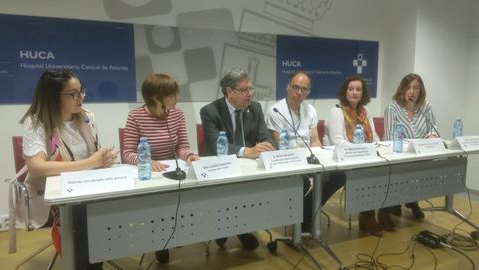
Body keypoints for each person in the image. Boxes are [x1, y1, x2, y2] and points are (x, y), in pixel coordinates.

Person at [19, 69, 116, 270]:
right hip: (53, 194)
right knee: (85, 219)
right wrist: (90, 163)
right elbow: (37, 167)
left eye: (81, 91)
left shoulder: (87, 117)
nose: (81, 98)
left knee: (118, 204)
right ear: (53, 96)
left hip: (88, 187)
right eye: (73, 94)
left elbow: (93, 156)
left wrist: (102, 159)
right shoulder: (37, 122)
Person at [123, 73, 199, 263]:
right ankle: (159, 242)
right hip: (150, 175)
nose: (178, 98)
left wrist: (189, 156)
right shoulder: (135, 116)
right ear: (157, 98)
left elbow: (182, 146)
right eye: (173, 95)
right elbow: (127, 153)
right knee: (157, 207)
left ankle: (178, 233)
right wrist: (146, 161)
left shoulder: (178, 114)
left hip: (174, 171)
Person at [200, 68, 275, 249]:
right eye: (244, 90)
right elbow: (216, 143)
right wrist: (245, 151)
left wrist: (266, 146)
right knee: (232, 190)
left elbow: (265, 136)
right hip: (219, 167)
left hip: (247, 168)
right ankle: (231, 229)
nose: (250, 94)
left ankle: (239, 227)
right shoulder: (210, 111)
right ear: (230, 92)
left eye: (251, 89)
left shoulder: (255, 108)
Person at [265, 71, 345, 232]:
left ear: (308, 92)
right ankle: (302, 222)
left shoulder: (310, 110)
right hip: (288, 161)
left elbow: (315, 139)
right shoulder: (275, 111)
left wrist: (321, 165)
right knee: (301, 182)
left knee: (338, 175)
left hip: (310, 159)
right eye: (295, 87)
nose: (299, 92)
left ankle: (305, 214)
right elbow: (281, 144)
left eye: (304, 89)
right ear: (288, 87)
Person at [323, 75, 390, 237]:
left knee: (387, 167)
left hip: (364, 156)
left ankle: (384, 211)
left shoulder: (365, 111)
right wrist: (362, 151)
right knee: (367, 172)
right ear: (345, 91)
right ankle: (368, 216)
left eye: (358, 89)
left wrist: (375, 147)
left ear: (363, 92)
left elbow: (374, 135)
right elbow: (338, 141)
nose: (354, 92)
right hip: (342, 159)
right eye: (351, 89)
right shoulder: (336, 111)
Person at [383, 73, 435, 220]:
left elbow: (432, 129)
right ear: (402, 89)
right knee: (405, 168)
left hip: (421, 155)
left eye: (416, 88)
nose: (411, 91)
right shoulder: (393, 107)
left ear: (421, 90)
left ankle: (412, 199)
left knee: (424, 168)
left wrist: (431, 137)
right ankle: (400, 201)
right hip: (399, 155)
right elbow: (389, 136)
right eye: (408, 88)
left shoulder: (426, 107)